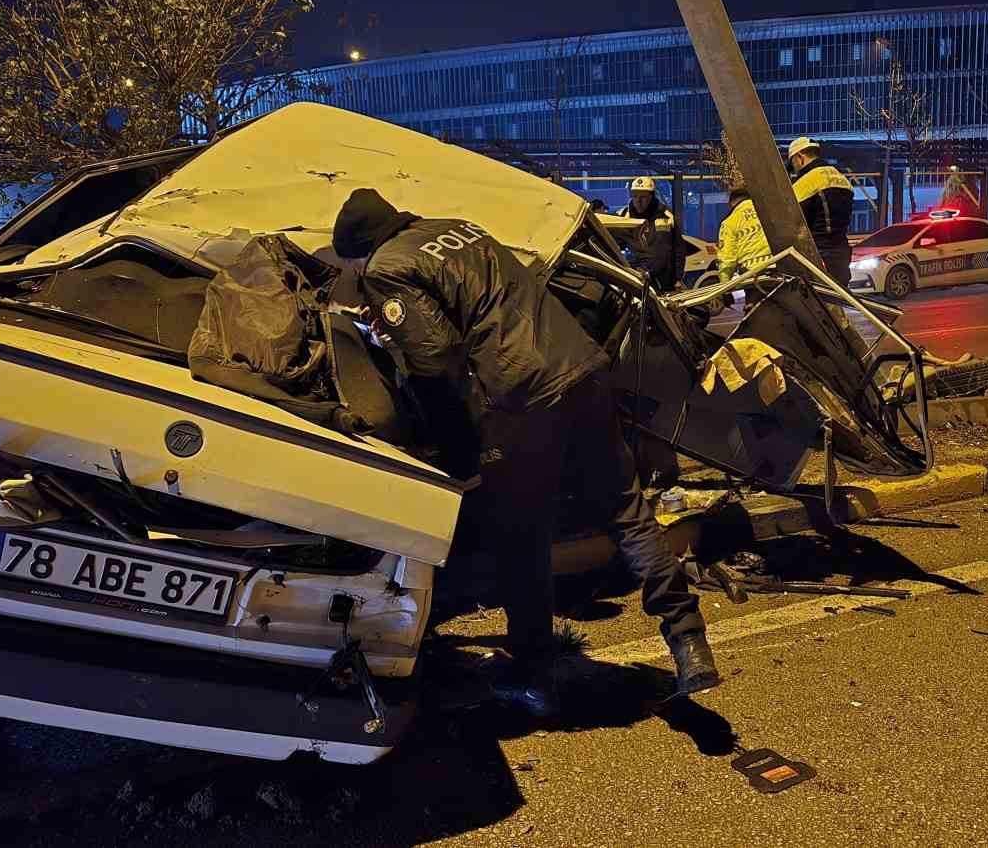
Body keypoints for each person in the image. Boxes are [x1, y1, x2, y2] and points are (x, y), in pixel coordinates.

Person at [330, 188, 718, 716]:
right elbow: (477, 308)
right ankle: (687, 635)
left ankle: (534, 675)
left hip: (524, 397)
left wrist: (459, 453)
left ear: (358, 250)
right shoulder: (457, 225)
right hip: (581, 369)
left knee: (521, 537)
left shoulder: (385, 267)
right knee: (627, 511)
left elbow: (436, 360)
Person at [788, 136, 856, 287]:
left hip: (818, 257)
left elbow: (792, 222)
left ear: (800, 157)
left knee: (816, 306)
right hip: (841, 253)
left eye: (793, 163)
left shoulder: (804, 182)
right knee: (836, 303)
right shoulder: (841, 178)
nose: (794, 169)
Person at [618, 176, 679, 290]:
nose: (638, 201)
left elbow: (678, 249)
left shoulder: (667, 216)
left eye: (643, 197)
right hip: (634, 281)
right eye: (635, 196)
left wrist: (678, 278)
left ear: (651, 197)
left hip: (663, 283)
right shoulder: (622, 217)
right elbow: (614, 247)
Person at [716, 187, 773, 281]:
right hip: (779, 269)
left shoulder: (730, 222)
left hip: (753, 275)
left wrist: (724, 285)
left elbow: (727, 260)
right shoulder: (769, 212)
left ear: (730, 204)